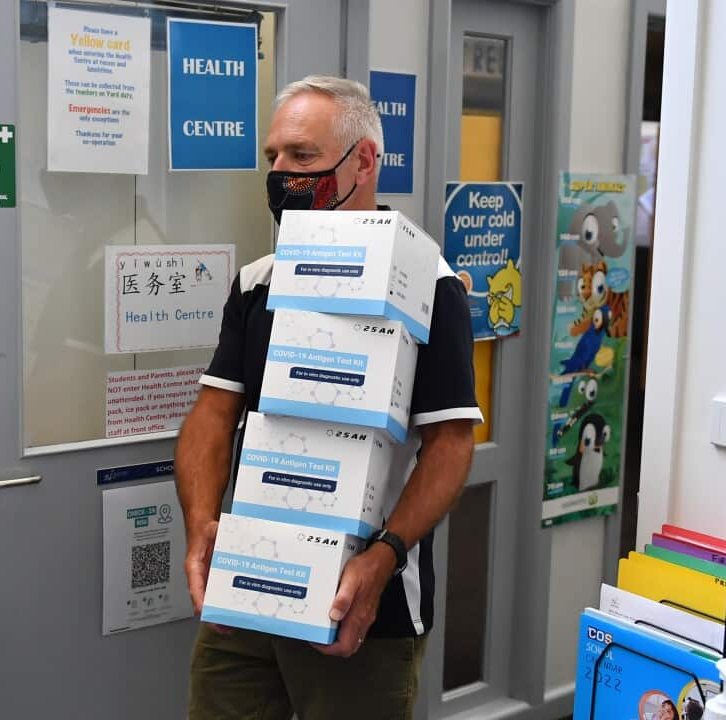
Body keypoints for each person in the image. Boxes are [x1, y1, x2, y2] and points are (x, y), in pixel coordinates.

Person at [175, 76, 482, 719]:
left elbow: (451, 444)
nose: (281, 172)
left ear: (363, 161)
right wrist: (203, 522)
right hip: (250, 583)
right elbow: (213, 413)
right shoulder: (258, 283)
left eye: (303, 156)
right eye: (273, 158)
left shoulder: (429, 285)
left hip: (364, 605)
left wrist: (383, 559)